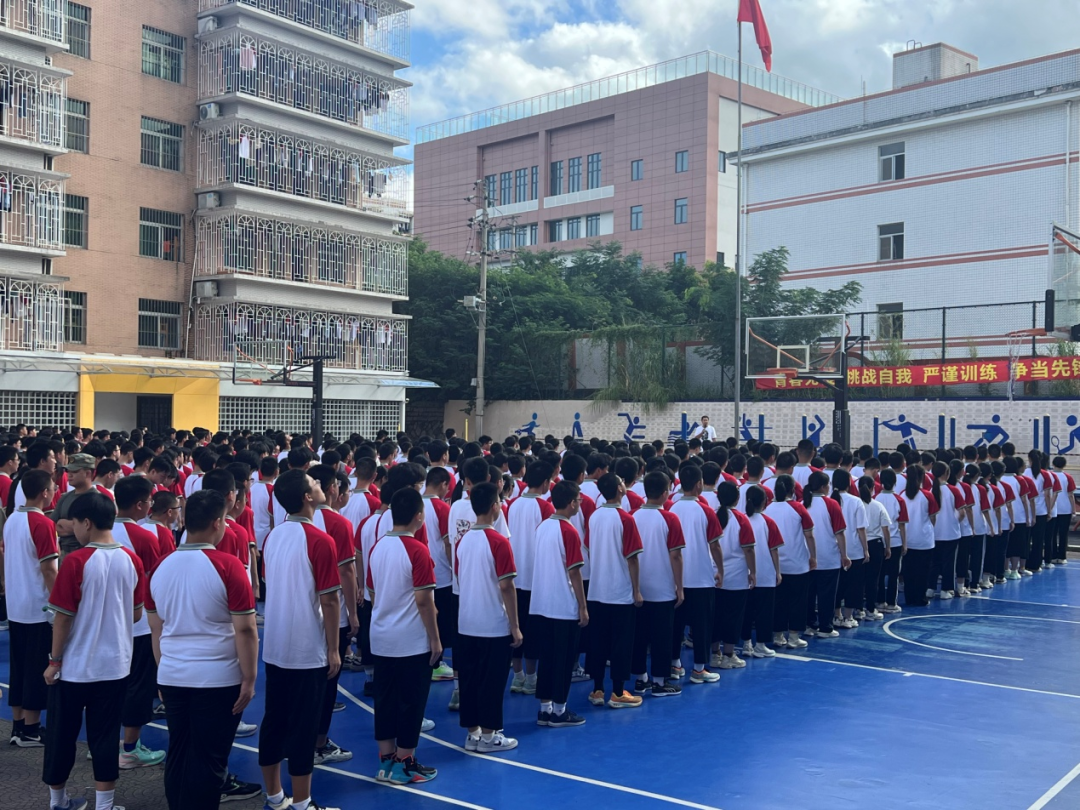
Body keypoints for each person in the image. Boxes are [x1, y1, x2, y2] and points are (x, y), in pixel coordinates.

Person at [146, 490, 262, 809]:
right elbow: (246, 628)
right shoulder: (228, 566)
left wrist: (163, 670)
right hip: (217, 678)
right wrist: (250, 678)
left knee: (179, 752)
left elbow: (156, 629)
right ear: (217, 523)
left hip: (173, 674)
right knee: (210, 758)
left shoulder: (160, 566)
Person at [43, 491, 147, 810]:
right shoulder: (132, 560)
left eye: (74, 522)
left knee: (61, 735)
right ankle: (105, 804)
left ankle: (58, 801)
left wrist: (54, 660)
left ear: (86, 523)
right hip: (114, 666)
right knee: (105, 736)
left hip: (74, 667)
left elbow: (63, 618)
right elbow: (136, 614)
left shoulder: (76, 561)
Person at [259, 469, 343, 810]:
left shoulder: (273, 537)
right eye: (315, 483)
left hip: (276, 645)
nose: (321, 485)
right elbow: (330, 600)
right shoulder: (320, 540)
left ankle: (274, 796)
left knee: (274, 721)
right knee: (304, 728)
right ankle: (303, 802)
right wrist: (334, 648)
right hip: (306, 648)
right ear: (307, 497)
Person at [368, 487, 440, 785]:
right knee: (411, 701)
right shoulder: (418, 550)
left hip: (381, 636)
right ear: (419, 516)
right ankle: (405, 763)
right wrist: (435, 638)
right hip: (410, 640)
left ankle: (385, 761)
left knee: (385, 700)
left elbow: (372, 591)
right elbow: (424, 601)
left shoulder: (378, 547)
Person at [455, 482, 522, 752]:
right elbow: (507, 586)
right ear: (495, 507)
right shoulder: (499, 542)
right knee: (492, 681)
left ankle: (473, 733)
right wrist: (515, 625)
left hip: (466, 620)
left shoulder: (463, 540)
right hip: (492, 622)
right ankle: (490, 735)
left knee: (470, 680)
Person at [110, 475, 167, 770]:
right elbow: (156, 580)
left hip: (106, 621)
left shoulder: (102, 530)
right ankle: (130, 749)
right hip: (139, 623)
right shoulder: (145, 537)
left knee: (109, 686)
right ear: (141, 504)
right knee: (138, 686)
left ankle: (105, 744)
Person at [307, 464, 360, 767]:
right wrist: (353, 612)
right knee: (328, 681)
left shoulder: (292, 522)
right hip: (332, 611)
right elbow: (347, 571)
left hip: (303, 612)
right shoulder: (338, 523)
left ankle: (300, 738)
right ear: (332, 488)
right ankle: (319, 743)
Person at [5, 469, 58, 747]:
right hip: (38, 606)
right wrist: (61, 601)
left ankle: (18, 725)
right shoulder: (42, 523)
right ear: (44, 492)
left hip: (16, 604)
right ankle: (32, 729)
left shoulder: (12, 519)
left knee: (19, 667)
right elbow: (49, 569)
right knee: (37, 668)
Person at [530, 480, 589, 727]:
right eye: (579, 500)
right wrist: (583, 606)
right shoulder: (569, 531)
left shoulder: (543, 527)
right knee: (563, 661)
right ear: (571, 503)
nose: (580, 504)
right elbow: (574, 571)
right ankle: (559, 710)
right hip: (563, 604)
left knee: (546, 658)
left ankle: (545, 708)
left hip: (541, 603)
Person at [585, 472, 644, 709]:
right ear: (620, 489)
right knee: (621, 642)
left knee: (598, 641)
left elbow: (590, 548)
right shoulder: (626, 519)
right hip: (619, 591)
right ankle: (618, 691)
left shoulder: (594, 517)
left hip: (597, 589)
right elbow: (632, 558)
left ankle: (597, 689)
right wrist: (637, 589)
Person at [630, 471, 685, 697]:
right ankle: (660, 682)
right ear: (665, 493)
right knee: (662, 636)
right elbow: (676, 555)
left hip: (638, 586)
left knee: (639, 635)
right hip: (662, 587)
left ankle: (640, 678)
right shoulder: (670, 519)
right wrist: (680, 586)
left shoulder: (632, 516)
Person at [670, 466, 724, 684]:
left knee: (676, 624)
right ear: (699, 484)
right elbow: (715, 545)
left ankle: (675, 664)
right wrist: (721, 570)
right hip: (701, 577)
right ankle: (699, 669)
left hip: (676, 578)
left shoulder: (671, 508)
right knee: (702, 626)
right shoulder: (706, 511)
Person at [506, 460, 555, 695]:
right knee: (534, 630)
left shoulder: (513, 504)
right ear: (545, 483)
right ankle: (532, 677)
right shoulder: (545, 507)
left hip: (514, 574)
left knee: (515, 626)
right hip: (536, 576)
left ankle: (517, 676)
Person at [766, 475, 815, 649]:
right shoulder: (798, 508)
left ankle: (778, 635)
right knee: (798, 601)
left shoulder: (768, 508)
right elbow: (809, 534)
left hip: (775, 564)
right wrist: (813, 556)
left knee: (779, 602)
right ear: (793, 489)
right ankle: (794, 636)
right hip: (797, 563)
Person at [714, 482, 756, 668]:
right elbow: (749, 549)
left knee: (716, 616)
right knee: (734, 616)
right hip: (736, 576)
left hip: (714, 575)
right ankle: (729, 655)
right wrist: (753, 572)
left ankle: (714, 653)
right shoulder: (741, 519)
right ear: (737, 499)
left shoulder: (712, 516)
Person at [802, 471, 848, 637]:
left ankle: (809, 625)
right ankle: (826, 627)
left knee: (809, 594)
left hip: (806, 557)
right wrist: (844, 555)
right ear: (823, 486)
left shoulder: (802, 503)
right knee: (827, 595)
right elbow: (840, 533)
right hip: (828, 557)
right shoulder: (831, 504)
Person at [832, 470, 868, 629]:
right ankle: (848, 617)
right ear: (848, 483)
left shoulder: (829, 500)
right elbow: (861, 528)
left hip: (834, 549)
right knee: (854, 585)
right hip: (854, 550)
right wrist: (866, 549)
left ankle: (836, 615)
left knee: (837, 585)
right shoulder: (856, 501)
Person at [900, 466, 938, 606]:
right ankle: (921, 598)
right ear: (922, 477)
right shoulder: (927, 495)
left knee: (908, 571)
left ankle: (909, 598)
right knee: (923, 571)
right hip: (924, 539)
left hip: (907, 539)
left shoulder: (902, 495)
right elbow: (933, 517)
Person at [873, 469, 908, 614]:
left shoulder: (875, 498)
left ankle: (880, 601)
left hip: (878, 542)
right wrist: (905, 543)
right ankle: (892, 603)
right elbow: (902, 525)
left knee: (879, 574)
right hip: (895, 542)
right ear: (895, 482)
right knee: (894, 575)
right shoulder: (899, 500)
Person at [51, 454, 96, 559]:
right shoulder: (64, 498)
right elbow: (53, 527)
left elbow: (93, 530)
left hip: (87, 555)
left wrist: (63, 523)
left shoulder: (97, 499)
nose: (69, 475)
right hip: (64, 553)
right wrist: (77, 526)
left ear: (88, 473)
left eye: (74, 472)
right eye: (68, 471)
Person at [1050, 456, 1076, 565]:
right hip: (1065, 509)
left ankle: (1053, 556)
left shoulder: (1049, 475)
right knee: (1063, 534)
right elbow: (1071, 495)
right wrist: (1073, 510)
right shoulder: (1068, 477)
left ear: (1053, 464)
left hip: (1052, 509)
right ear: (1064, 465)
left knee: (1052, 534)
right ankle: (1062, 557)